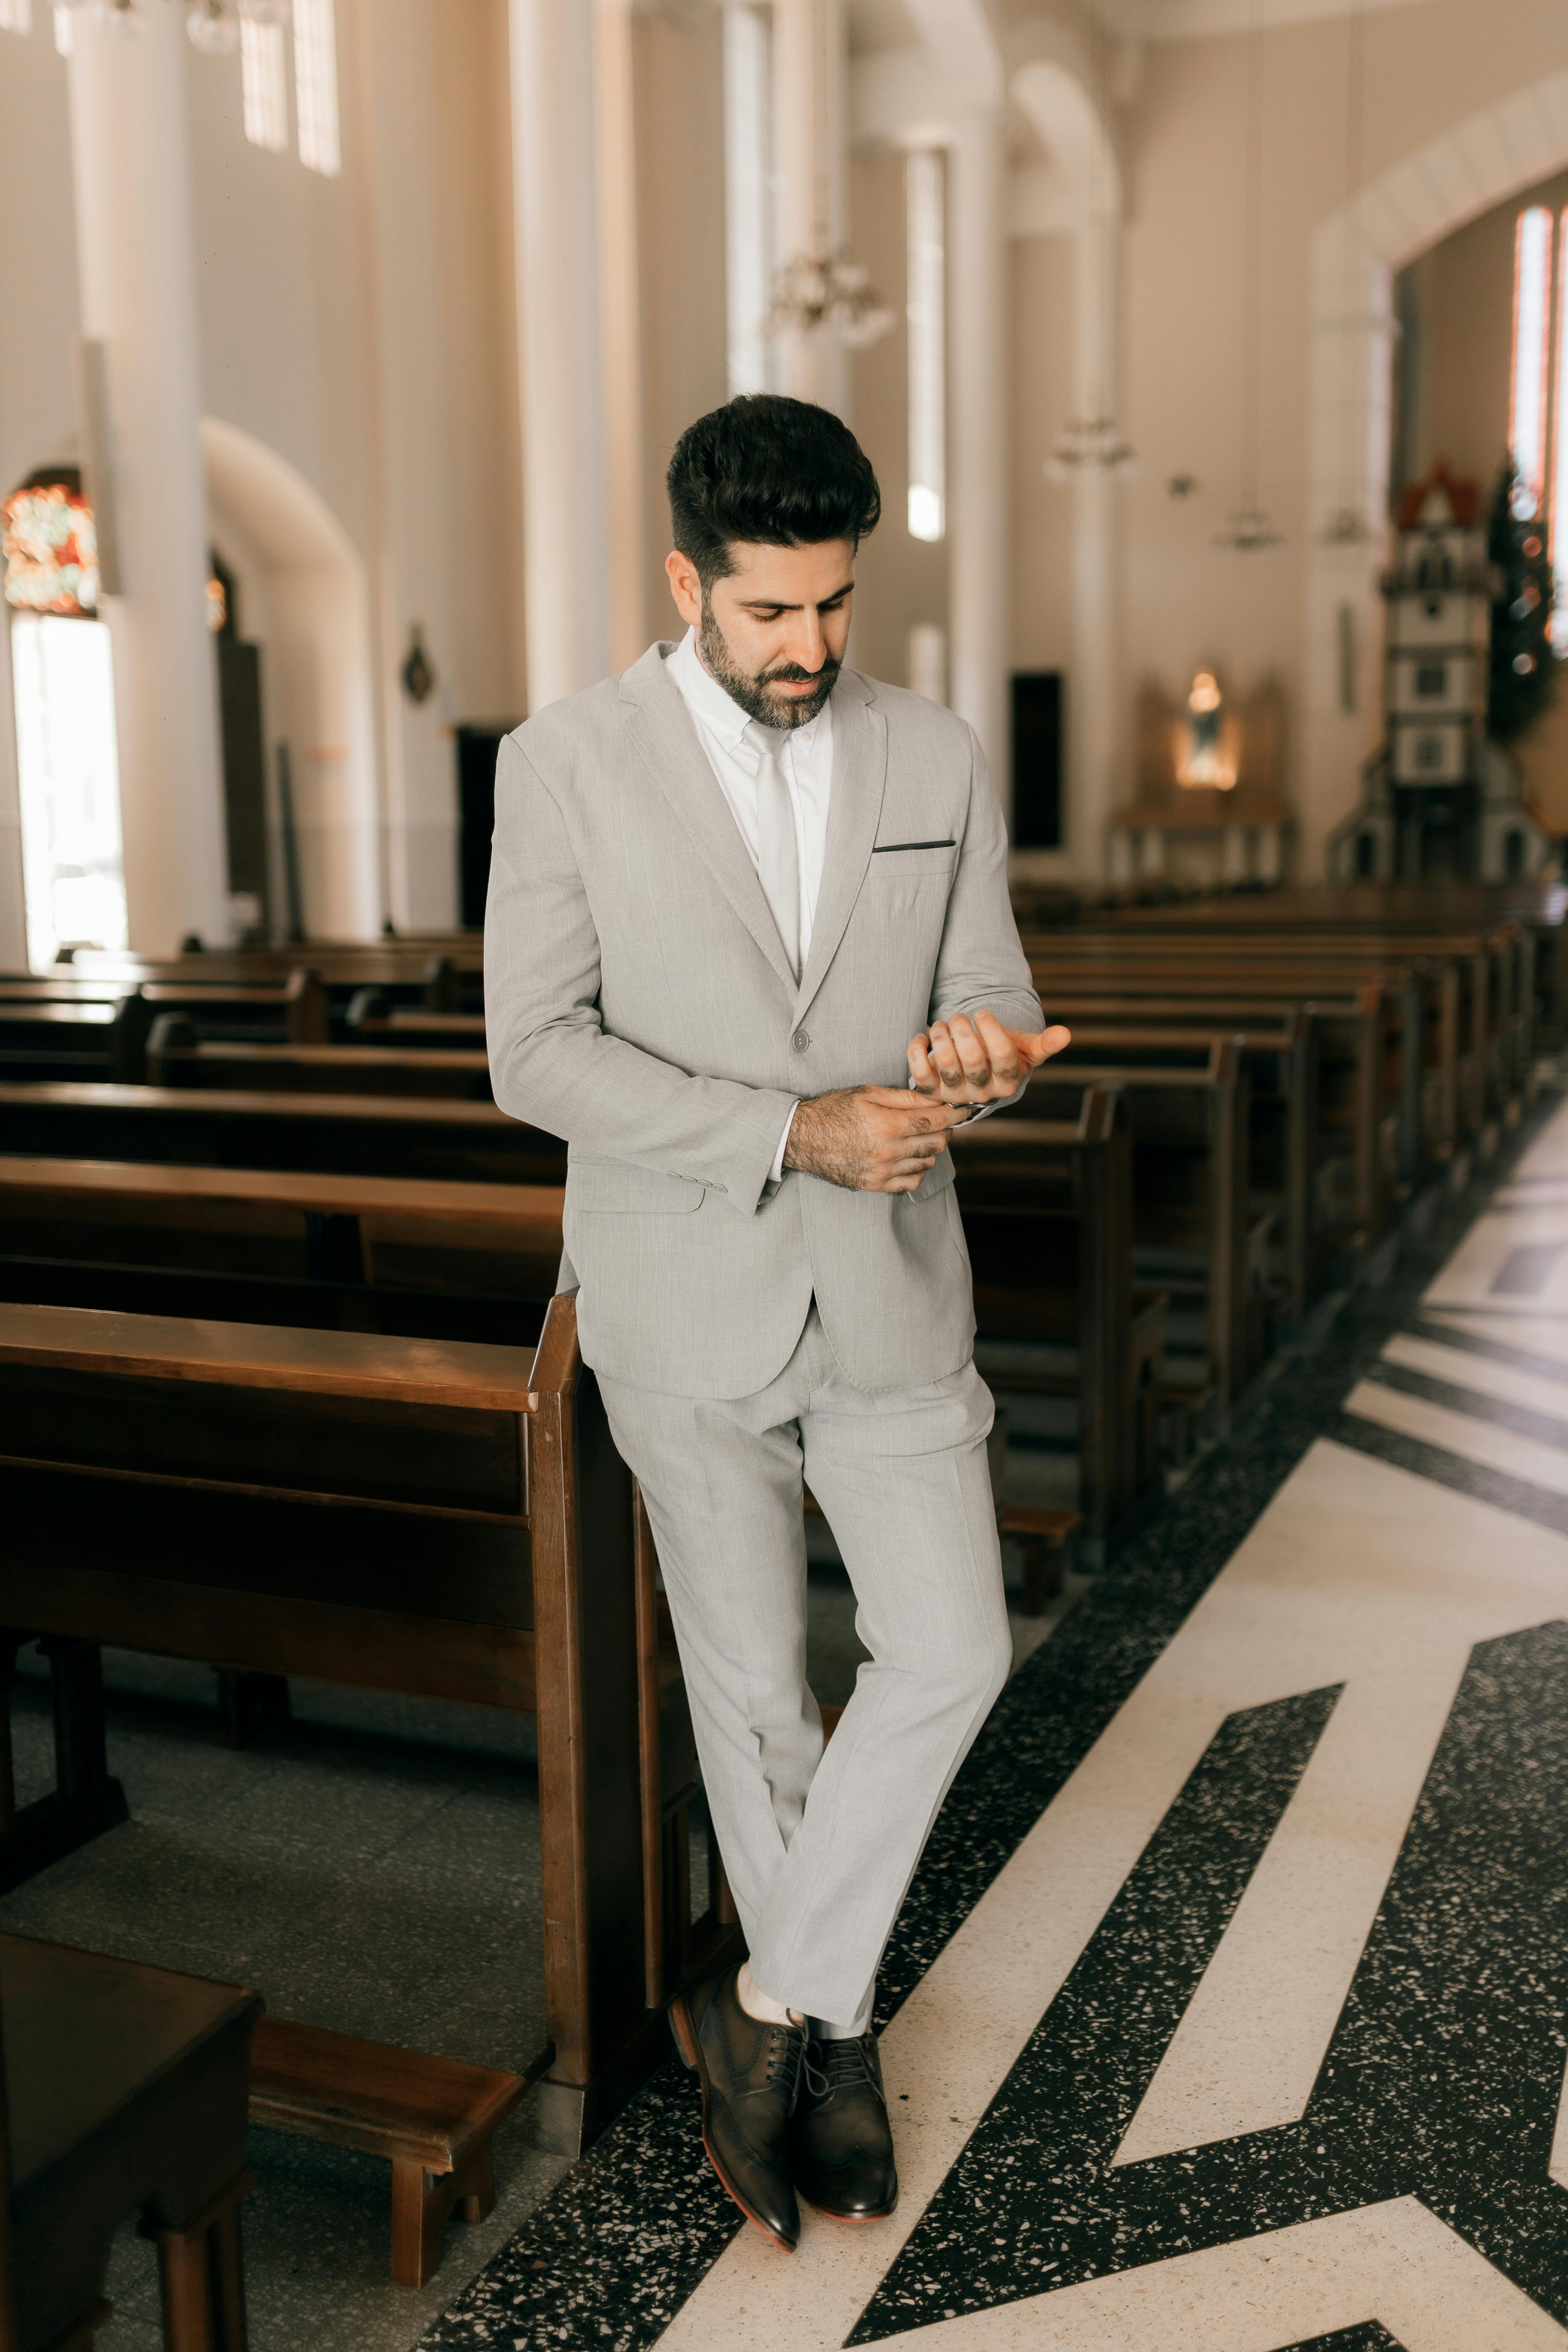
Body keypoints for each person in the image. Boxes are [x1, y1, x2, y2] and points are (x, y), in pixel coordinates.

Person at [485, 394, 1069, 2251]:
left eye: (832, 607)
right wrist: (787, 1131)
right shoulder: (564, 761)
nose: (809, 648)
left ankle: (763, 2003)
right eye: (769, 616)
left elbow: (984, 983)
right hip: (681, 1279)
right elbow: (534, 1053)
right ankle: (831, 2043)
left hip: (893, 1283)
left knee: (953, 1651)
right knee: (752, 1701)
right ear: (686, 584)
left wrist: (972, 1056)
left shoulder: (936, 753)